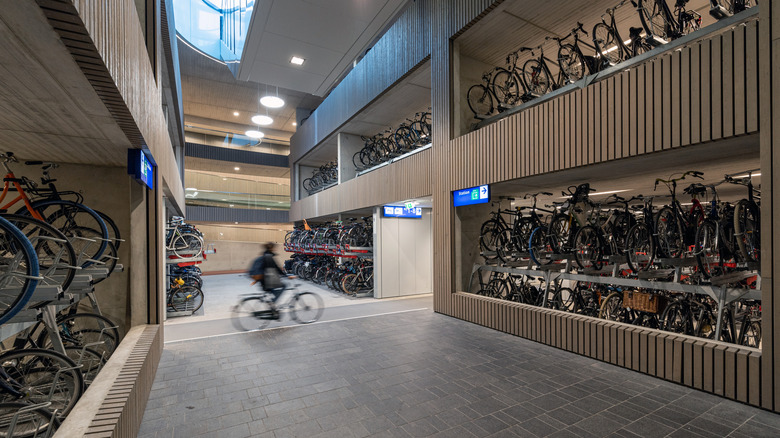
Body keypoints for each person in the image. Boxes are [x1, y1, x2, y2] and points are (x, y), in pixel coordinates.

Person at [248, 242, 286, 318]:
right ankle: (272, 303)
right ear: (271, 248)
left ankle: (273, 307)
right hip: (266, 282)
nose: (275, 249)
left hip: (262, 281)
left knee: (274, 290)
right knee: (284, 286)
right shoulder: (269, 257)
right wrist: (287, 276)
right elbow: (277, 268)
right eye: (274, 248)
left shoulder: (264, 255)